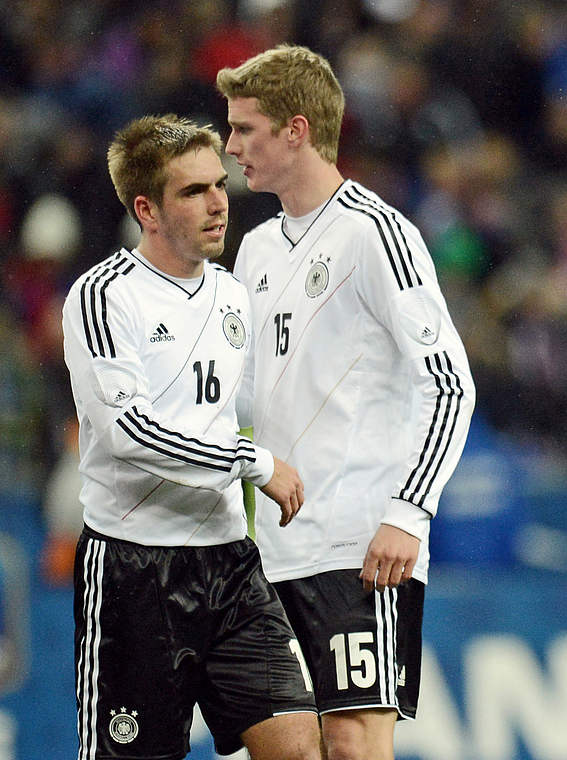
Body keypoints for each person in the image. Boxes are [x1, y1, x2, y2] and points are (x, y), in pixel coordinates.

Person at [216, 45, 475, 760]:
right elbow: (245, 394)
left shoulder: (376, 234)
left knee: (355, 743)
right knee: (287, 750)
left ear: (296, 131)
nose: (231, 146)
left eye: (245, 129)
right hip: (273, 550)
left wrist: (408, 513)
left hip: (360, 546)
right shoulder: (256, 249)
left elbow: (451, 383)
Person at [63, 115, 319, 760]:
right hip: (134, 571)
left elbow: (256, 405)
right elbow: (128, 431)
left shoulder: (233, 295)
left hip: (231, 564)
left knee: (299, 747)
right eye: (193, 191)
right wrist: (253, 462)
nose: (217, 203)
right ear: (146, 208)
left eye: (220, 184)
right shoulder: (103, 297)